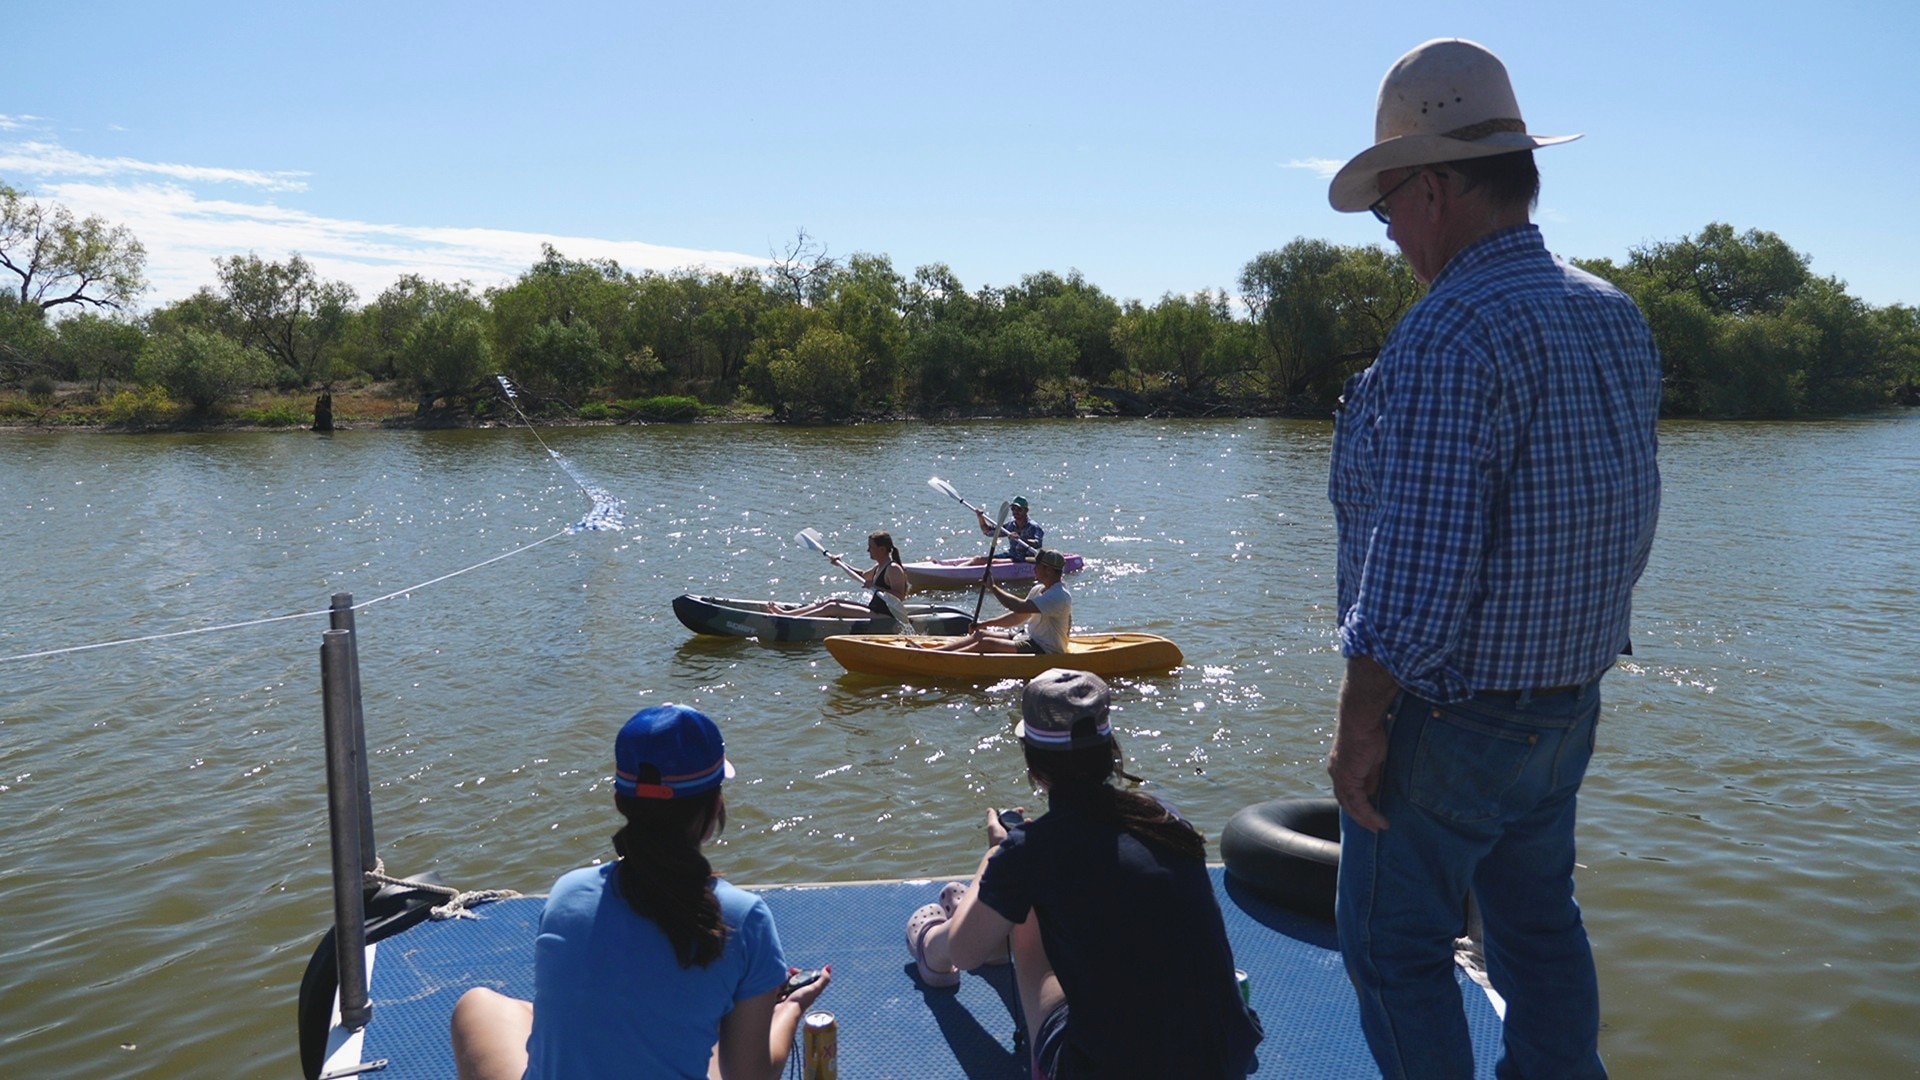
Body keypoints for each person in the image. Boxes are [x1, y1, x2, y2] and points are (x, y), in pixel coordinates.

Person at [1322, 38, 1660, 1080]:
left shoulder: (1448, 333)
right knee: (1539, 928)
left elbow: (1417, 581)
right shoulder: (1613, 314)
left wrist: (1358, 724)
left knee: (1391, 950)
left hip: (1451, 718)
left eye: (1386, 214)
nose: (1389, 237)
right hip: (1568, 704)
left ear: (1432, 189)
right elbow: (1632, 514)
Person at [903, 668, 1263, 1078]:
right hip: (1222, 1059)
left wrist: (1001, 853)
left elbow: (966, 956)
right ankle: (991, 915)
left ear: (1034, 766)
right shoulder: (1162, 818)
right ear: (1110, 750)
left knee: (1024, 903)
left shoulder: (1032, 852)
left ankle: (934, 950)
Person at [449, 704, 831, 1080]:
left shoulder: (567, 892)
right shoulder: (744, 917)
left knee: (478, 1005)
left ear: (620, 801)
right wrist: (790, 1010)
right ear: (715, 807)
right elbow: (750, 1077)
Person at [925, 547, 1070, 653]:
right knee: (980, 635)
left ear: (1049, 571)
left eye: (1036, 567)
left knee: (987, 644)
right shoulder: (1039, 589)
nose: (1033, 570)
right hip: (1029, 637)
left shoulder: (1058, 596)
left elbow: (1018, 607)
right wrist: (985, 624)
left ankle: (941, 659)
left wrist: (993, 588)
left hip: (1045, 648)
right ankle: (937, 652)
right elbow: (1018, 616)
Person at [771, 530, 909, 619]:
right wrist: (840, 563)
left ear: (882, 549)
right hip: (874, 609)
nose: (868, 550)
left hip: (885, 616)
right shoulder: (880, 566)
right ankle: (787, 614)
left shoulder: (893, 569)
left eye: (871, 547)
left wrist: (877, 587)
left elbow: (900, 596)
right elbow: (861, 575)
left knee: (833, 608)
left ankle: (788, 617)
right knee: (831, 602)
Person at [963, 496, 1044, 564]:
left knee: (994, 562)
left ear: (1026, 510)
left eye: (1019, 509)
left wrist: (1020, 539)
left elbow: (1038, 543)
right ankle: (955, 570)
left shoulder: (1034, 527)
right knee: (977, 559)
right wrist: (980, 517)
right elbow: (987, 531)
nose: (1015, 512)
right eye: (1013, 509)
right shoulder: (1011, 525)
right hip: (1011, 555)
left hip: (1024, 559)